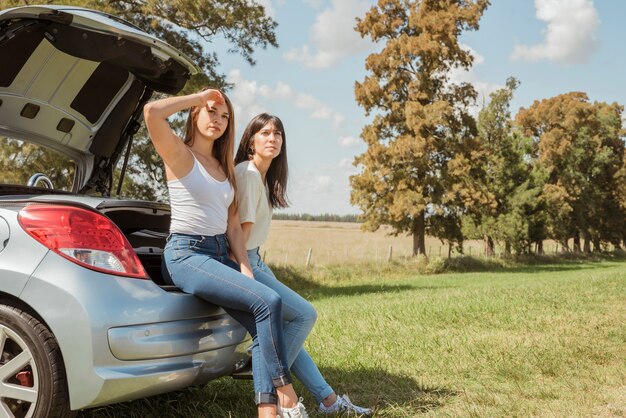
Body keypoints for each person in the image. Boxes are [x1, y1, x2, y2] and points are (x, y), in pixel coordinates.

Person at [144, 90, 309, 418]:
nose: (217, 120)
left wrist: (245, 267)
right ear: (195, 114)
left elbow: (233, 227)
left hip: (219, 255)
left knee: (264, 322)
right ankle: (286, 395)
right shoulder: (179, 153)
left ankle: (268, 412)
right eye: (211, 112)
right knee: (270, 302)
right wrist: (199, 95)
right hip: (186, 255)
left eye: (224, 116)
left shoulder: (222, 167)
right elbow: (151, 112)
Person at [234, 113, 372, 415]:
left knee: (286, 332)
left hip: (256, 257)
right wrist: (247, 275)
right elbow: (237, 241)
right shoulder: (248, 175)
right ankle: (267, 370)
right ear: (250, 143)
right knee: (304, 315)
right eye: (265, 133)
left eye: (278, 134)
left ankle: (329, 400)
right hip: (243, 260)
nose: (273, 139)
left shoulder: (262, 176)